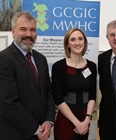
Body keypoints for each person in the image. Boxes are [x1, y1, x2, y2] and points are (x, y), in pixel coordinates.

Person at [0, 11, 55, 140]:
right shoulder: (4, 59)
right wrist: (36, 129)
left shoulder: (41, 59)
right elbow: (7, 102)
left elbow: (48, 92)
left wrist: (48, 121)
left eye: (33, 30)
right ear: (13, 32)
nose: (28, 34)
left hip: (41, 132)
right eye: (23, 29)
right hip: (15, 133)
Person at [52, 28, 97, 140]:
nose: (77, 43)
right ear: (67, 44)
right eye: (73, 39)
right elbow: (58, 99)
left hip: (84, 119)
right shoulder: (59, 67)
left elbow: (92, 95)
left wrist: (86, 120)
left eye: (80, 39)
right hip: (66, 120)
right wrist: (77, 123)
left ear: (85, 42)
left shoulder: (91, 66)